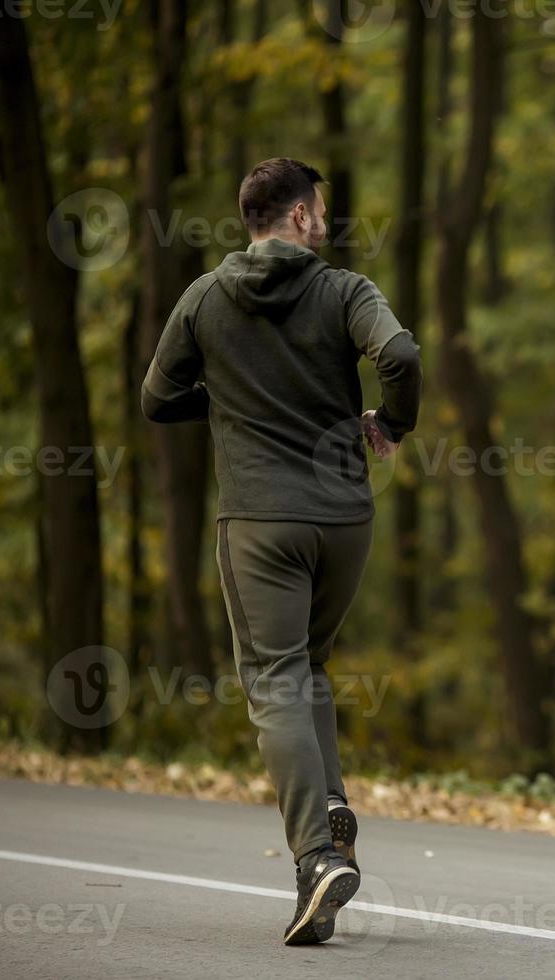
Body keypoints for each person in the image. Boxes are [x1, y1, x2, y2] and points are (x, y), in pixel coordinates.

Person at [141, 157, 420, 945]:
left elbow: (156, 399)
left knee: (274, 677)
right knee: (310, 665)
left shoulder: (203, 297)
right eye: (320, 208)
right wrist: (393, 424)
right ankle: (329, 806)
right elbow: (400, 356)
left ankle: (315, 859)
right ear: (297, 217)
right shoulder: (345, 291)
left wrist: (226, 404)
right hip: (343, 519)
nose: (326, 220)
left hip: (261, 519)